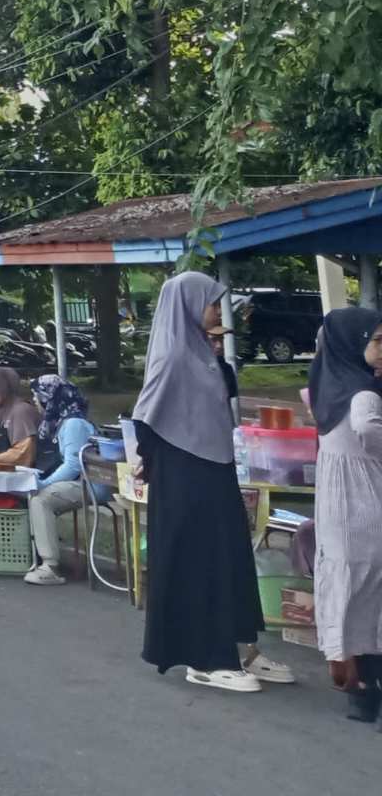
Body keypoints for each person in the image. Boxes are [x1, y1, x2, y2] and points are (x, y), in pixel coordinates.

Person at [132, 270, 292, 693]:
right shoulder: (172, 357)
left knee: (229, 556)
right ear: (187, 304)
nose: (219, 311)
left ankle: (241, 647)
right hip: (185, 477)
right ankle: (203, 658)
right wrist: (151, 463)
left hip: (215, 469)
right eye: (211, 303)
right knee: (199, 560)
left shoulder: (202, 352)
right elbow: (145, 417)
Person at [308, 307, 382, 721]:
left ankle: (362, 691)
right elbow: (369, 428)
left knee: (352, 600)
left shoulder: (326, 386)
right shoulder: (365, 393)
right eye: (377, 341)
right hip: (369, 506)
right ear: (354, 344)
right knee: (374, 602)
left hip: (337, 514)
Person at [22, 374, 104, 585]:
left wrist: (45, 483)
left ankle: (50, 566)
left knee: (41, 499)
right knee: (38, 495)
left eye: (37, 395)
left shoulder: (73, 424)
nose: (35, 400)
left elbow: (73, 465)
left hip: (93, 484)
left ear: (50, 398)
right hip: (85, 481)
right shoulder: (66, 421)